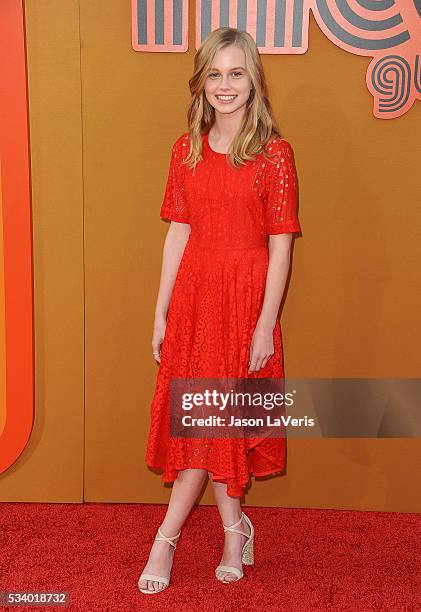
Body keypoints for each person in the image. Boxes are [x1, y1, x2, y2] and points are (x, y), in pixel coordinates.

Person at [138, 26, 301, 594]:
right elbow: (178, 234)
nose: (225, 85)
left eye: (237, 73)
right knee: (206, 425)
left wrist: (264, 326)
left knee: (216, 424)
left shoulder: (274, 155)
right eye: (215, 73)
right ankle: (235, 530)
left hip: (245, 305)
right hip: (195, 299)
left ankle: (167, 538)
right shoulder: (184, 150)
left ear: (253, 79)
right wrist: (160, 312)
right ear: (201, 81)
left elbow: (281, 245)